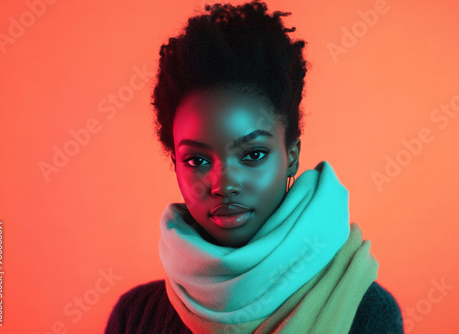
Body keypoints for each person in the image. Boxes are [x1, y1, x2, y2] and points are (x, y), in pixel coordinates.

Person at [104, 1, 404, 333]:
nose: (224, 184)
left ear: (291, 156)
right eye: (197, 160)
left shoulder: (365, 311)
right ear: (175, 164)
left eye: (253, 154)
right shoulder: (136, 317)